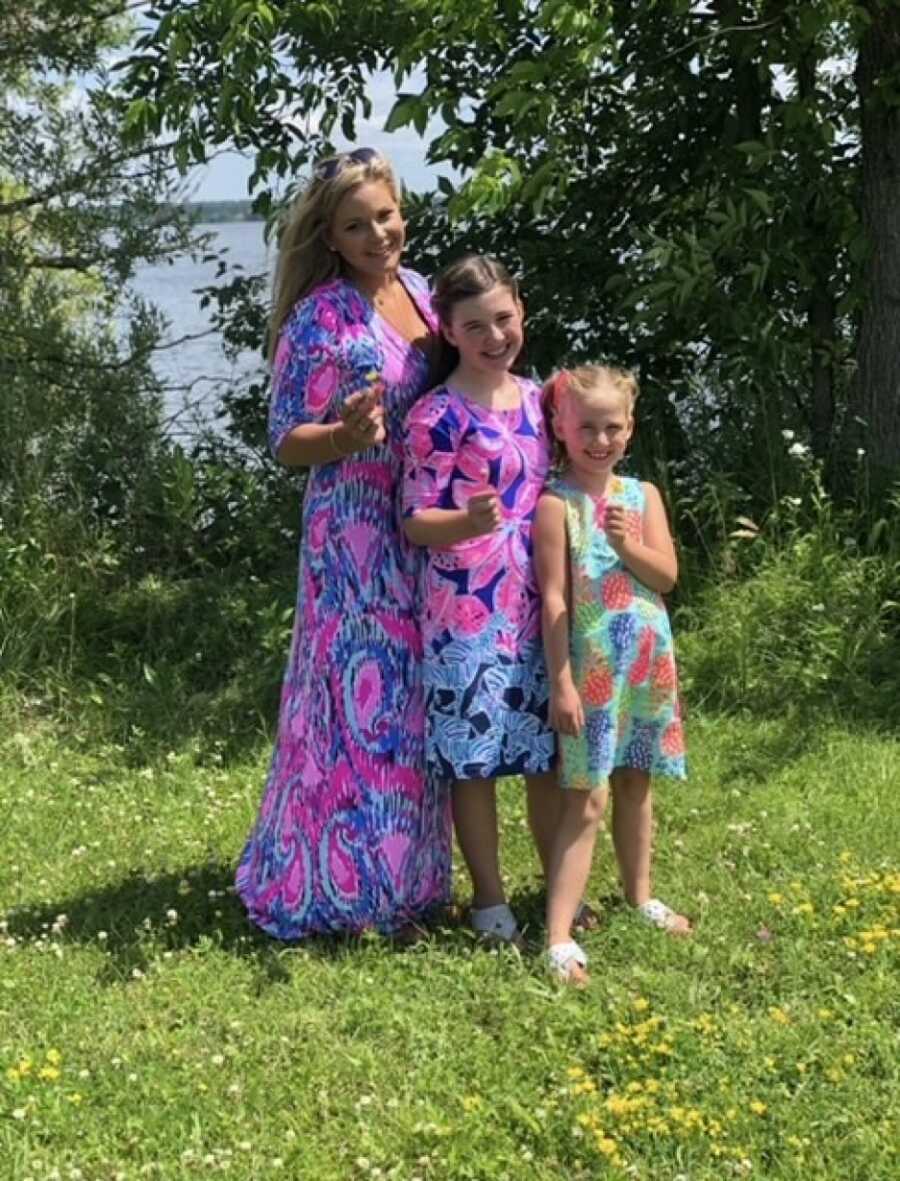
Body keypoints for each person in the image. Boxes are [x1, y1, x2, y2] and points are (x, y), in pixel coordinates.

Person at [235, 148, 452, 940]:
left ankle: (412, 885)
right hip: (353, 534)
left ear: (403, 211)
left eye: (385, 216)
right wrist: (345, 434)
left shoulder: (425, 294)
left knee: (413, 707)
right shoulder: (318, 316)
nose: (377, 234)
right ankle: (343, 890)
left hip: (423, 523)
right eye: (356, 225)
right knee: (358, 710)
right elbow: (285, 439)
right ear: (329, 236)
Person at [401, 254, 559, 946]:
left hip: (541, 602)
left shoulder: (540, 399)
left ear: (521, 309)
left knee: (546, 751)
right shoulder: (435, 415)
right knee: (475, 757)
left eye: (504, 318)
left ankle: (561, 885)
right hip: (464, 609)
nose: (495, 336)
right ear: (449, 330)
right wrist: (465, 522)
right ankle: (491, 901)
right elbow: (414, 518)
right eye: (476, 326)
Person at [534, 364, 690, 985]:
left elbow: (666, 577)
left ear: (630, 429)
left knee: (635, 783)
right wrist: (561, 682)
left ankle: (639, 894)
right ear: (561, 428)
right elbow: (553, 600)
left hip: (646, 664)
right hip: (591, 669)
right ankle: (557, 935)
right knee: (587, 795)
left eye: (613, 428)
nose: (601, 440)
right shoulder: (556, 504)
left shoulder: (642, 495)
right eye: (587, 428)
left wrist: (629, 547)